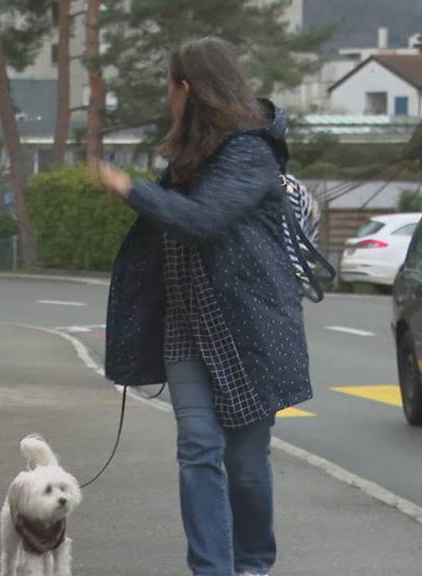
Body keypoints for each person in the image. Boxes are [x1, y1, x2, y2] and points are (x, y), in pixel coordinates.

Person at [92, 37, 314, 576]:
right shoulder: (186, 158)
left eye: (170, 87)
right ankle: (211, 570)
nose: (168, 98)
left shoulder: (250, 152)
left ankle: (254, 563)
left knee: (243, 462)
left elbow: (202, 220)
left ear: (185, 88)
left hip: (251, 329)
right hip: (186, 327)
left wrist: (129, 188)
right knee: (197, 446)